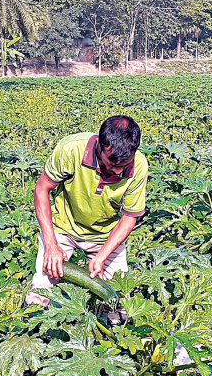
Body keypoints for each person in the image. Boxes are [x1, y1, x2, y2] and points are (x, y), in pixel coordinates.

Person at [25, 116, 148, 306]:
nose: (117, 172)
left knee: (120, 299)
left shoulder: (139, 166)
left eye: (123, 166)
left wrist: (101, 257)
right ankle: (34, 319)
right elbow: (42, 189)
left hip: (105, 235)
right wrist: (51, 244)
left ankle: (111, 322)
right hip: (63, 227)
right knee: (41, 290)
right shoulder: (71, 149)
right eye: (110, 164)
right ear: (99, 145)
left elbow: (129, 218)